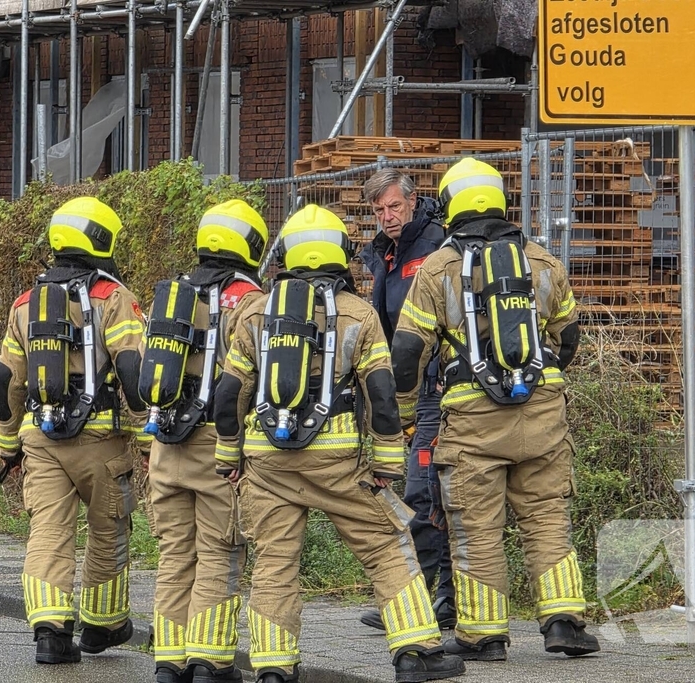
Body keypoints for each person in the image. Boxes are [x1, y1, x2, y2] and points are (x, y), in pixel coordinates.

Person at [212, 204, 465, 683]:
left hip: (267, 465)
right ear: (342, 255)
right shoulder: (358, 313)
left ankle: (271, 666)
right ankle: (416, 651)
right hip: (338, 467)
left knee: (274, 563)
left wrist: (230, 457)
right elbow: (383, 395)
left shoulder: (252, 314)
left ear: (284, 255)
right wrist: (389, 460)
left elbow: (230, 395)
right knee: (389, 544)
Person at [390, 158, 600, 662]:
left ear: (450, 205)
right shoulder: (543, 262)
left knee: (476, 528)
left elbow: (406, 356)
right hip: (543, 414)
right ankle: (565, 624)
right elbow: (568, 339)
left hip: (472, 420)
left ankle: (484, 636)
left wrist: (400, 417)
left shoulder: (437, 269)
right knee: (549, 518)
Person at [0, 196, 149, 664]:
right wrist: (146, 436)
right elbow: (133, 371)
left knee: (48, 532)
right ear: (100, 240)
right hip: (101, 442)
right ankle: (101, 627)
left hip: (39, 441)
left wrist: (8, 445)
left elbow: (5, 382)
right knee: (109, 529)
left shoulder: (26, 303)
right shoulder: (114, 298)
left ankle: (50, 632)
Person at [143, 200, 268, 683]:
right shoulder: (250, 301)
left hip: (166, 445)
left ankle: (169, 664)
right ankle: (211, 662)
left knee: (175, 554)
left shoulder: (172, 294)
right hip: (218, 446)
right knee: (220, 551)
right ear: (251, 245)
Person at [357, 169, 454, 632]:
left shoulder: (434, 247)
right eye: (379, 210)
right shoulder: (385, 254)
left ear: (413, 203)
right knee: (422, 491)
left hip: (434, 390)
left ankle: (420, 601)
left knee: (425, 492)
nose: (387, 217)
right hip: (402, 393)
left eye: (394, 207)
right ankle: (439, 602)